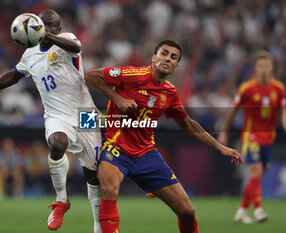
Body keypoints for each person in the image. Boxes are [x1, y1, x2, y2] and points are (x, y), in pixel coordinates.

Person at [0, 9, 102, 232]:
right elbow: (12, 76)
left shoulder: (67, 40)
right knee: (57, 144)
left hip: (86, 113)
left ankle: (98, 225)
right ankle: (62, 201)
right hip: (56, 114)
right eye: (42, 24)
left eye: (51, 25)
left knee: (93, 174)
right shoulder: (30, 54)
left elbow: (77, 48)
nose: (45, 28)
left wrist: (48, 36)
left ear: (58, 29)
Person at [85, 40, 243, 233]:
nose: (167, 58)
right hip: (116, 148)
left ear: (176, 66)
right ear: (153, 58)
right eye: (164, 53)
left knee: (187, 211)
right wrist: (119, 99)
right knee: (110, 189)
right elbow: (91, 76)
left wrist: (220, 147)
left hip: (146, 155)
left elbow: (188, 124)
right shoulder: (131, 75)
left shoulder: (169, 93)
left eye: (173, 57)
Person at [218, 50, 286, 223]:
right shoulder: (247, 88)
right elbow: (232, 112)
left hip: (268, 138)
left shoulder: (278, 89)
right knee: (255, 172)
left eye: (266, 66)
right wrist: (224, 132)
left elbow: (283, 113)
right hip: (251, 137)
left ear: (271, 67)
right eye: (260, 66)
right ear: (256, 68)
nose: (263, 69)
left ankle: (241, 210)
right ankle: (258, 210)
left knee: (257, 176)